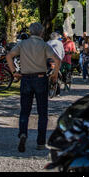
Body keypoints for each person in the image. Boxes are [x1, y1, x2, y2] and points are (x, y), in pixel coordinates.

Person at [6, 23, 60, 153]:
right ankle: (40, 142)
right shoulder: (44, 45)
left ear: (30, 32)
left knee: (25, 110)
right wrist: (54, 74)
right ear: (41, 33)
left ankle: (23, 133)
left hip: (25, 78)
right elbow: (57, 60)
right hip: (40, 78)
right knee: (42, 112)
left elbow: (9, 56)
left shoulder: (23, 44)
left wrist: (14, 72)